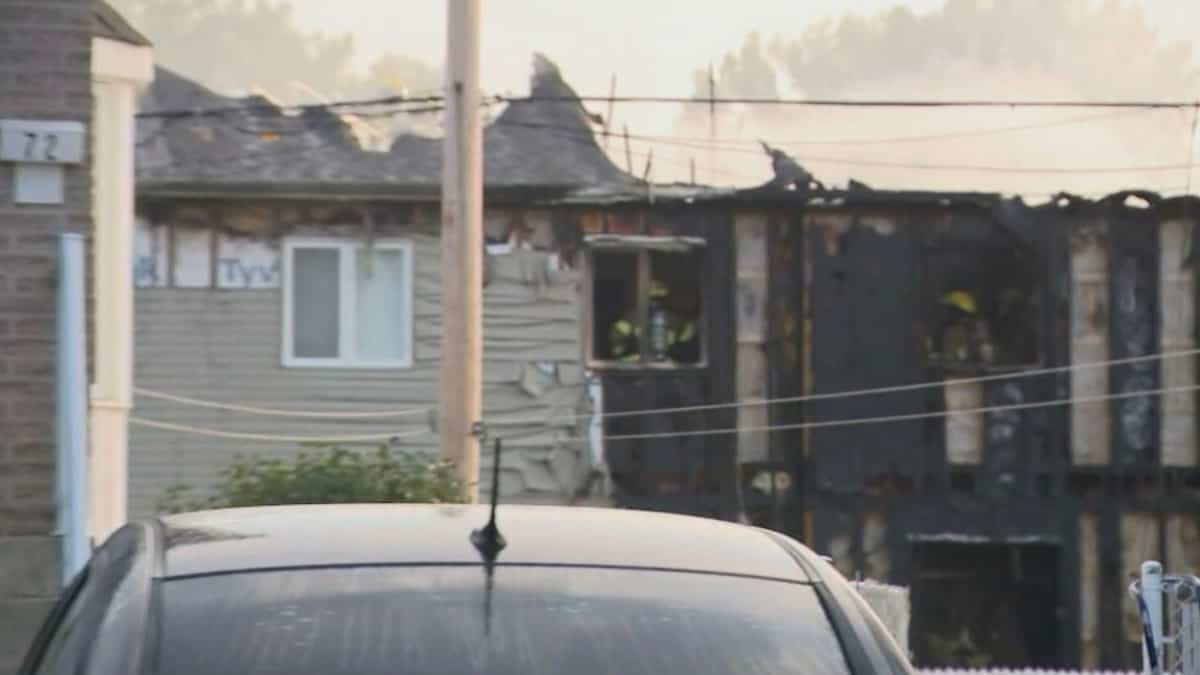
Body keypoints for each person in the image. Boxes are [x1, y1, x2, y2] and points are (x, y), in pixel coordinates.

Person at [938, 290, 994, 365]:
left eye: (947, 310)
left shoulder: (976, 328)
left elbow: (987, 356)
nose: (945, 313)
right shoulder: (949, 330)